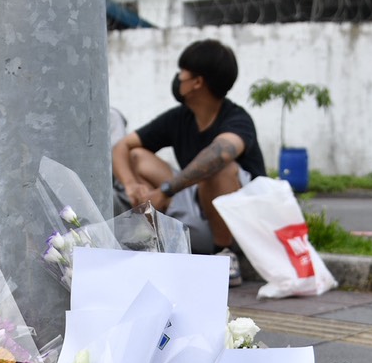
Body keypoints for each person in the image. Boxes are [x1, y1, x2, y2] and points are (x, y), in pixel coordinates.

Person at [112, 39, 267, 285]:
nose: (178, 78)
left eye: (182, 72)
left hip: (240, 226)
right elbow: (122, 146)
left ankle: (224, 254)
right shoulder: (181, 118)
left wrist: (167, 190)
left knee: (218, 168)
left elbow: (220, 153)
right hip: (197, 212)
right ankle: (153, 240)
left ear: (197, 82)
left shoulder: (237, 119)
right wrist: (131, 184)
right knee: (137, 156)